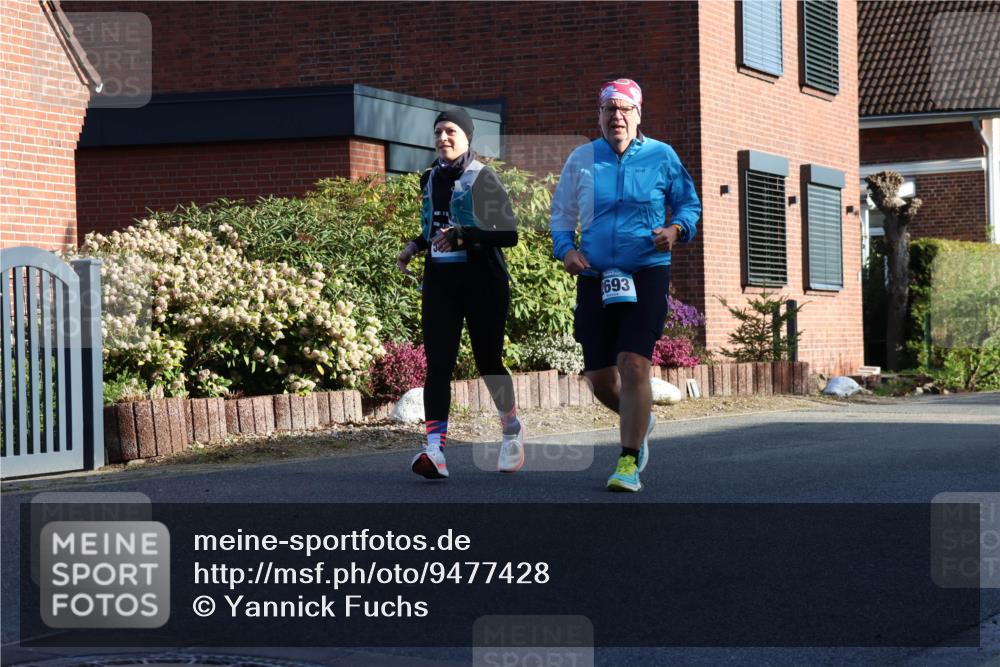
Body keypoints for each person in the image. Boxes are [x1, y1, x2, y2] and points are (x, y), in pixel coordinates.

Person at [550, 79, 701, 492]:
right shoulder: (582, 159)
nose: (616, 117)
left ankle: (628, 461)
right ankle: (641, 418)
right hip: (596, 275)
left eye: (624, 109)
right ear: (599, 116)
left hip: (647, 272)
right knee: (599, 378)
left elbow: (689, 203)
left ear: (638, 114)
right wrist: (565, 250)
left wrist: (676, 229)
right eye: (608, 110)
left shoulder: (661, 156)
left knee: (634, 363)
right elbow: (561, 214)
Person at [397, 108, 524, 480]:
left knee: (488, 362)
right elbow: (433, 226)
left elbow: (509, 234)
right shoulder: (429, 178)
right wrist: (414, 245)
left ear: (467, 137)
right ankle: (435, 451)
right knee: (438, 363)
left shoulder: (483, 177)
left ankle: (512, 429)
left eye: (451, 131)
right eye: (438, 132)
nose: (443, 138)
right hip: (441, 283)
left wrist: (466, 235)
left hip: (483, 281)